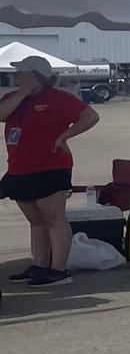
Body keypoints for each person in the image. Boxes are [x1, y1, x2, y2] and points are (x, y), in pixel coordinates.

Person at [1, 56, 99, 288]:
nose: (16, 76)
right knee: (35, 220)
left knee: (54, 218)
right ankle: (40, 264)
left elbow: (91, 116)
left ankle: (58, 269)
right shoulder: (14, 99)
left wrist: (65, 136)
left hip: (50, 166)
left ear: (36, 76)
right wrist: (23, 93)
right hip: (19, 167)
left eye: (22, 73)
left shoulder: (59, 99)